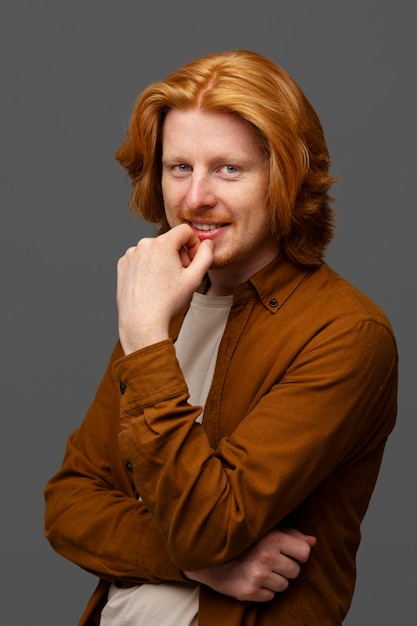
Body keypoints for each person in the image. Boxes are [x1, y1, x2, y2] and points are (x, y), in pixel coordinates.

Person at [44, 49, 398, 626]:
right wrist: (191, 564)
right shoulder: (163, 310)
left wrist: (143, 337)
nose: (195, 198)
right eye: (179, 167)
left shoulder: (346, 333)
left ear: (285, 177)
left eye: (228, 169)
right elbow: (67, 505)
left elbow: (210, 528)